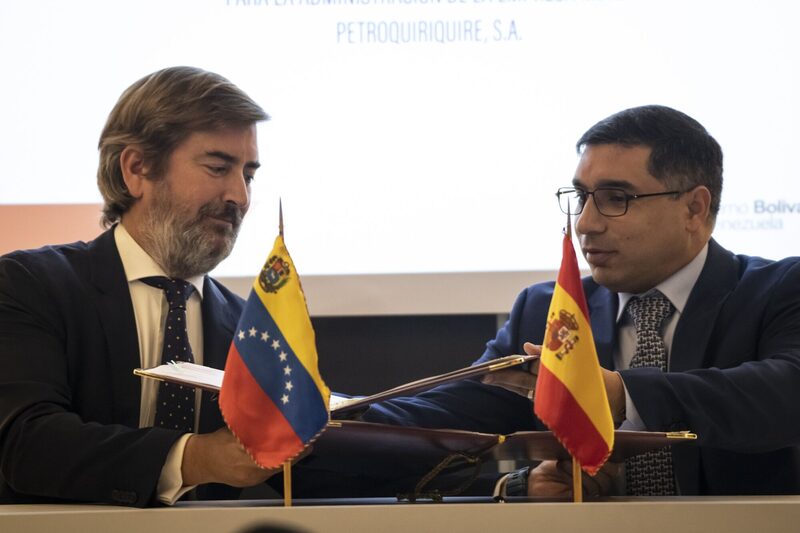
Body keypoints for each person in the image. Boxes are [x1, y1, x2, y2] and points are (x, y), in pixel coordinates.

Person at [361, 105, 800, 496]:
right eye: (581, 197)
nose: (586, 223)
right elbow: (438, 419)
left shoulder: (777, 289)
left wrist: (620, 394)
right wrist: (328, 411)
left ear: (694, 209)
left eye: (615, 199)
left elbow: (784, 392)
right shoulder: (545, 311)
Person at [0, 66, 276, 506]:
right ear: (136, 168)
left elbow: (304, 465)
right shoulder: (30, 286)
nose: (240, 196)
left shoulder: (251, 328)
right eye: (218, 167)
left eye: (248, 175)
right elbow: (24, 441)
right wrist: (193, 459)